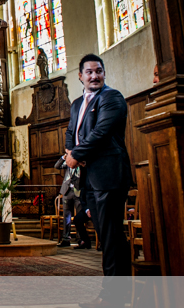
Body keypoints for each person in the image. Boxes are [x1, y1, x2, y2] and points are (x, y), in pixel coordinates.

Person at [64, 54, 131, 306]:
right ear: (80, 75)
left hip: (109, 174)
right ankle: (118, 293)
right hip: (89, 179)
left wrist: (77, 155)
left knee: (111, 237)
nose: (95, 76)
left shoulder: (112, 97)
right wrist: (72, 152)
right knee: (106, 236)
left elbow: (101, 132)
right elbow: (71, 131)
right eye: (89, 72)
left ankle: (113, 296)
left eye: (99, 71)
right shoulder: (77, 103)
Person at [54, 154, 81, 247]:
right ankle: (66, 239)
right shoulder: (68, 162)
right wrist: (63, 157)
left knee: (79, 217)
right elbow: (57, 166)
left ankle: (80, 239)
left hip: (79, 191)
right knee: (66, 216)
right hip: (67, 191)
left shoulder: (82, 163)